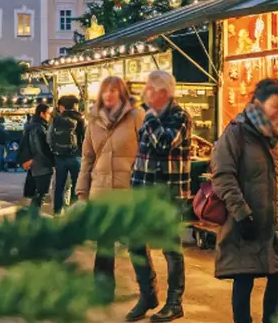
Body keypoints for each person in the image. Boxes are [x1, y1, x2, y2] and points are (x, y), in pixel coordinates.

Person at [211, 79, 278, 323]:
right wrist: (241, 213)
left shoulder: (277, 141)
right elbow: (223, 176)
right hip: (244, 220)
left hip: (271, 223)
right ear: (258, 103)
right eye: (275, 105)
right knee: (244, 277)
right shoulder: (236, 133)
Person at [127, 70, 193, 322]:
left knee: (170, 248)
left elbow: (165, 144)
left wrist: (151, 117)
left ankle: (175, 302)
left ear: (163, 92)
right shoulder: (149, 117)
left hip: (168, 195)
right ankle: (147, 294)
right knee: (135, 242)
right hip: (143, 192)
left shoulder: (180, 117)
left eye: (150, 89)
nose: (146, 93)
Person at [75, 75, 144, 302]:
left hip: (129, 190)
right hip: (101, 189)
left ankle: (148, 292)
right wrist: (82, 190)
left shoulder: (136, 116)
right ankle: (102, 291)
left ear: (122, 93)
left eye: (113, 90)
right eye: (105, 90)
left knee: (135, 243)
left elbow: (145, 153)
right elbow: (87, 157)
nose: (109, 94)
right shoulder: (93, 121)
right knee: (104, 244)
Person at [49, 95, 85, 214]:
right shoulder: (80, 119)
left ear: (63, 106)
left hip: (60, 157)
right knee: (77, 184)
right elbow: (85, 138)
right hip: (76, 156)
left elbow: (49, 138)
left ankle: (57, 211)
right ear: (74, 105)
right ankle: (74, 211)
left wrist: (54, 151)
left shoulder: (56, 120)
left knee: (59, 185)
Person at [19, 103, 54, 210]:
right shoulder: (39, 128)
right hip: (40, 163)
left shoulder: (32, 125)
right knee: (41, 193)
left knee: (35, 192)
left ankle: (30, 213)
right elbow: (40, 147)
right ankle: (33, 215)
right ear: (42, 114)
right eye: (48, 113)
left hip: (34, 162)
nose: (50, 116)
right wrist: (51, 161)